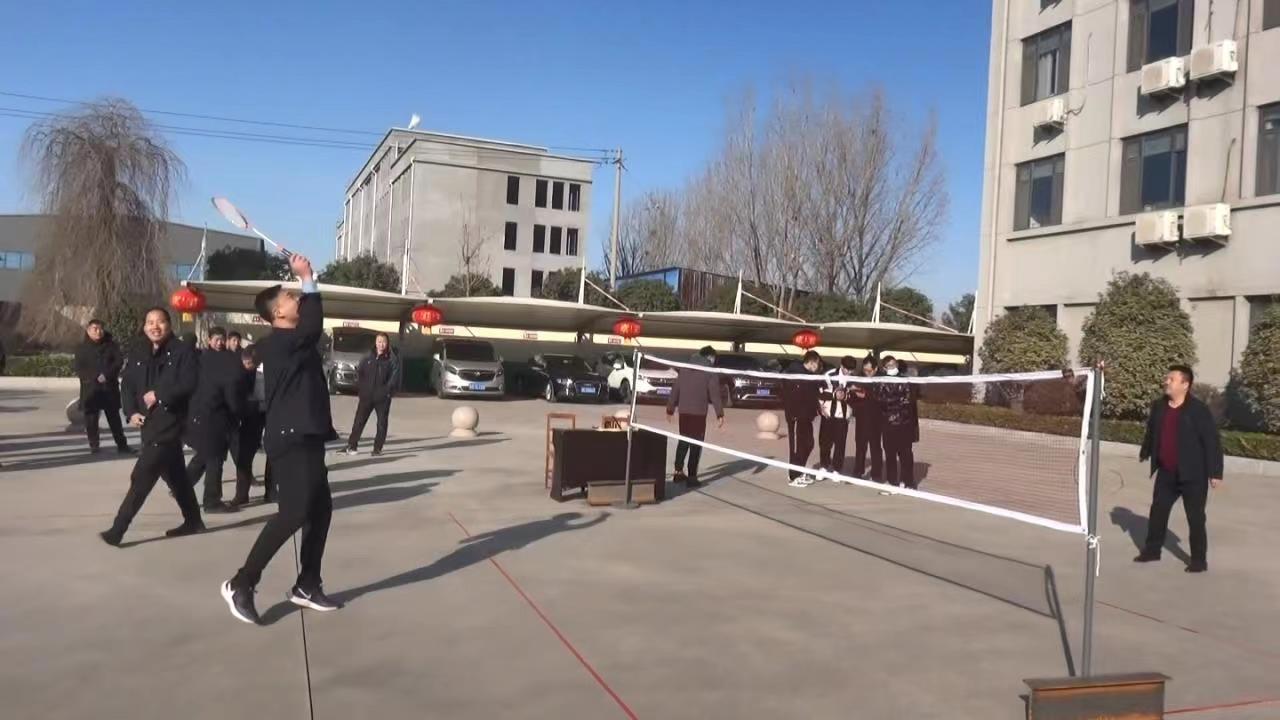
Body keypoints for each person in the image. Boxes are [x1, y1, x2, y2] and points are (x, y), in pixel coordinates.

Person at [222, 253, 341, 625]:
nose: (297, 298)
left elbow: (310, 330)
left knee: (320, 510)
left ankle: (307, 584)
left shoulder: (291, 342)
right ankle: (241, 583)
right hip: (291, 438)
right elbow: (313, 326)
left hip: (308, 435)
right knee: (293, 513)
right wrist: (308, 277)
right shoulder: (282, 342)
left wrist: (307, 283)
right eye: (290, 297)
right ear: (277, 313)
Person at [99, 308, 204, 546]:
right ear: (145, 326)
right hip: (147, 423)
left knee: (141, 476)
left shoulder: (182, 352)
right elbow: (127, 384)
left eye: (160, 322)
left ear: (169, 324)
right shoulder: (139, 351)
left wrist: (160, 395)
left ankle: (117, 529)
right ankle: (194, 521)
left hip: (169, 423)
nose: (155, 326)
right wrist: (131, 411)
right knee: (177, 477)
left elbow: (190, 383)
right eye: (150, 322)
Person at [1135, 365, 1223, 573]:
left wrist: (1215, 473)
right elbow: (1152, 431)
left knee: (1196, 518)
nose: (1166, 382)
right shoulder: (1159, 406)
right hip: (1167, 472)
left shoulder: (1198, 410)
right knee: (1158, 511)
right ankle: (1152, 550)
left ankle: (1199, 560)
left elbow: (1211, 441)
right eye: (1167, 378)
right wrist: (1145, 451)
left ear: (1185, 384)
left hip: (1193, 475)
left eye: (1171, 379)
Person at [184, 326, 243, 513]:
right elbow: (230, 389)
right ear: (209, 340)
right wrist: (237, 411)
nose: (219, 342)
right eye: (216, 339)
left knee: (206, 455)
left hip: (213, 413)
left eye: (222, 339)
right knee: (214, 458)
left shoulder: (225, 359)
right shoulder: (203, 359)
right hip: (211, 413)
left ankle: (182, 486)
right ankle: (211, 501)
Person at [665, 346, 724, 488]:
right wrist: (720, 413)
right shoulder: (709, 371)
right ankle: (692, 477)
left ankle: (678, 472)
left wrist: (670, 409)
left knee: (683, 441)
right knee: (696, 445)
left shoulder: (685, 368)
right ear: (709, 357)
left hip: (684, 411)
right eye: (714, 358)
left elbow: (676, 389)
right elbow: (715, 394)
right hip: (698, 413)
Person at [74, 319, 133, 455]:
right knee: (91, 419)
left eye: (100, 328)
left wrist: (106, 375)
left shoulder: (111, 345)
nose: (98, 331)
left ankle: (122, 445)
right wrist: (94, 376)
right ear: (88, 330)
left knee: (114, 419)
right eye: (95, 329)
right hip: (90, 388)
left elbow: (118, 361)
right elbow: (79, 367)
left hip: (109, 387)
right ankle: (94, 445)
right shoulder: (81, 348)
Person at [343, 333, 401, 456]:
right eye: (379, 341)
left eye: (384, 342)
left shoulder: (392, 359)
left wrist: (386, 392)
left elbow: (394, 378)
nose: (381, 344)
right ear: (375, 342)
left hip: (382, 398)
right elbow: (360, 373)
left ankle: (377, 449)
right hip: (366, 396)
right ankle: (352, 446)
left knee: (381, 424)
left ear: (387, 343)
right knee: (359, 421)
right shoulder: (368, 356)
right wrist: (362, 389)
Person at [876, 355, 920, 490]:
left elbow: (908, 400)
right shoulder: (881, 382)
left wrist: (894, 403)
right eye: (889, 365)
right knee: (890, 454)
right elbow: (880, 400)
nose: (893, 367)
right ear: (884, 368)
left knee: (906, 454)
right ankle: (892, 482)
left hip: (904, 424)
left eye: (894, 364)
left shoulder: (905, 380)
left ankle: (908, 482)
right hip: (888, 425)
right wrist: (894, 403)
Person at [230, 347, 265, 508]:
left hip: (264, 414)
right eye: (245, 362)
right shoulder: (240, 373)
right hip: (247, 416)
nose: (247, 366)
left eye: (250, 363)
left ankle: (271, 491)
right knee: (243, 457)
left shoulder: (266, 371)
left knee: (270, 455)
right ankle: (241, 494)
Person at [783, 351, 823, 488]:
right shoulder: (794, 373)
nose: (817, 367)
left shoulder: (811, 377)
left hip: (807, 417)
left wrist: (817, 408)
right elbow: (789, 396)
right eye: (817, 364)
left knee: (809, 444)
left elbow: (813, 395)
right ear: (811, 362)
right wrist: (792, 413)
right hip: (795, 417)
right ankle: (793, 476)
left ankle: (799, 471)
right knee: (796, 448)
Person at [818, 356, 857, 478]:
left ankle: (837, 469)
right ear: (841, 366)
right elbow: (820, 393)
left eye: (851, 370)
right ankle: (824, 466)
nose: (849, 372)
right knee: (825, 442)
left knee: (840, 443)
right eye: (847, 369)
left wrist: (846, 395)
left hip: (843, 416)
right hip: (828, 414)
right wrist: (821, 407)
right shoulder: (829, 375)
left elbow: (855, 397)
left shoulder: (854, 378)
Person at [850, 354, 883, 481]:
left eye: (869, 371)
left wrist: (866, 395)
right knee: (860, 446)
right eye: (865, 370)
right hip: (862, 417)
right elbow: (852, 399)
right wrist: (854, 393)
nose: (867, 373)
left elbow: (882, 398)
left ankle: (876, 474)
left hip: (876, 419)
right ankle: (858, 471)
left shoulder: (881, 379)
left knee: (875, 447)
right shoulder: (859, 378)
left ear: (875, 369)